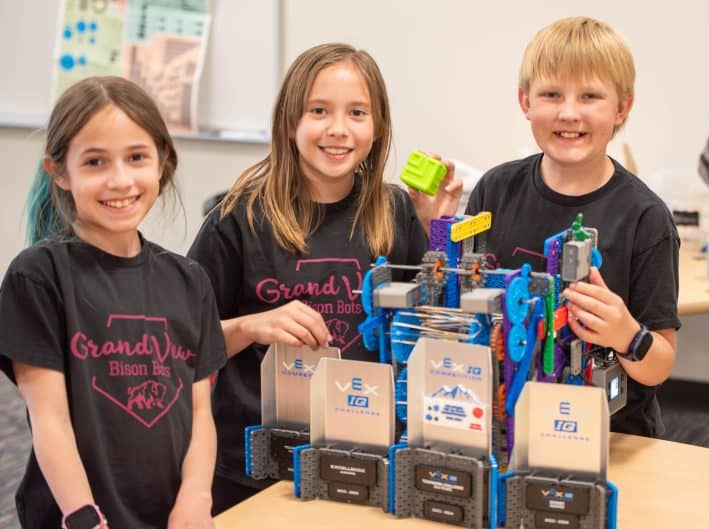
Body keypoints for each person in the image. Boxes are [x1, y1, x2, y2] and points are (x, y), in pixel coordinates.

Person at [187, 42, 459, 513]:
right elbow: (182, 348)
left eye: (357, 113)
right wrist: (252, 325)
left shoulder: (395, 212)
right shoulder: (238, 219)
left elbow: (435, 335)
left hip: (369, 459)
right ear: (290, 122)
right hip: (253, 469)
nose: (338, 129)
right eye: (319, 110)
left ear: (378, 130)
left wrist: (438, 235)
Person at [0, 76, 227, 529]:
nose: (120, 180)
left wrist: (197, 497)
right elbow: (49, 420)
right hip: (76, 516)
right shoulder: (37, 276)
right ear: (60, 171)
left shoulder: (190, 281)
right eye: (95, 162)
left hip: (170, 514)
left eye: (137, 157)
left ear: (163, 161)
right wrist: (81, 513)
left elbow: (200, 412)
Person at [463, 17, 680, 437]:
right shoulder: (494, 190)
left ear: (622, 107)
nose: (568, 113)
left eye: (590, 96)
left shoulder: (646, 217)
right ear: (525, 101)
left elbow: (660, 365)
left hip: (611, 438)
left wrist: (626, 333)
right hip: (506, 425)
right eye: (551, 94)